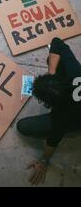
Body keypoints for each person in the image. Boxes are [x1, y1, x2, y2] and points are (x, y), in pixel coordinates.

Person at [17, 37, 81, 185]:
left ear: (50, 104)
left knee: (23, 126)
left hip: (76, 118)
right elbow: (57, 42)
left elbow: (53, 142)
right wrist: (51, 73)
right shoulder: (76, 72)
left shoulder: (63, 116)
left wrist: (44, 161)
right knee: (51, 59)